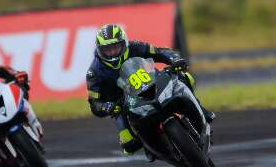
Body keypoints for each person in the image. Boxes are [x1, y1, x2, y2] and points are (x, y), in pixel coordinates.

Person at [86, 24, 214, 157]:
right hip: (123, 103)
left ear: (124, 43)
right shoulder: (94, 72)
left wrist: (175, 59)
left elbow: (160, 52)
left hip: (153, 83)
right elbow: (94, 103)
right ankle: (150, 146)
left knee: (184, 77)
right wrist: (106, 106)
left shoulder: (135, 46)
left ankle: (200, 109)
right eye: (107, 49)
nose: (112, 52)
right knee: (129, 145)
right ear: (99, 50)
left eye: (115, 47)